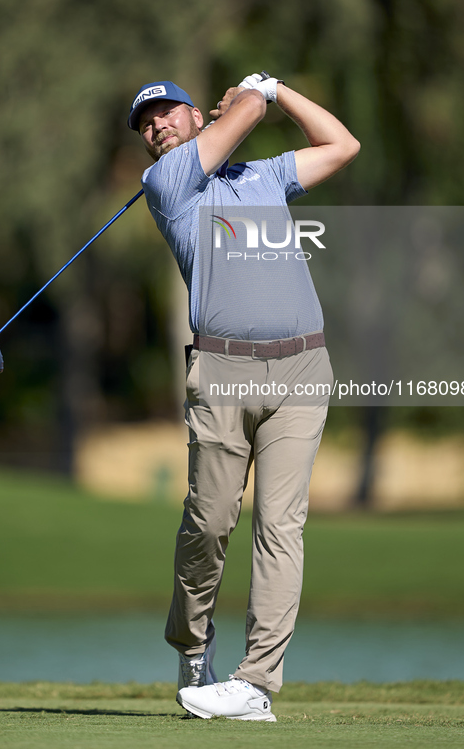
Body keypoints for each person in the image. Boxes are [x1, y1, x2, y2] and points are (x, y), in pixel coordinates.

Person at [127, 73, 359, 721]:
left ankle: (255, 682)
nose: (156, 126)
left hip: (302, 366)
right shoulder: (167, 183)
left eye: (166, 112)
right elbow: (245, 113)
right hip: (222, 370)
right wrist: (251, 96)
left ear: (195, 113)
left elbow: (342, 145)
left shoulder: (263, 176)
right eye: (146, 124)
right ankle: (193, 645)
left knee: (281, 526)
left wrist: (280, 89)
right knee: (208, 521)